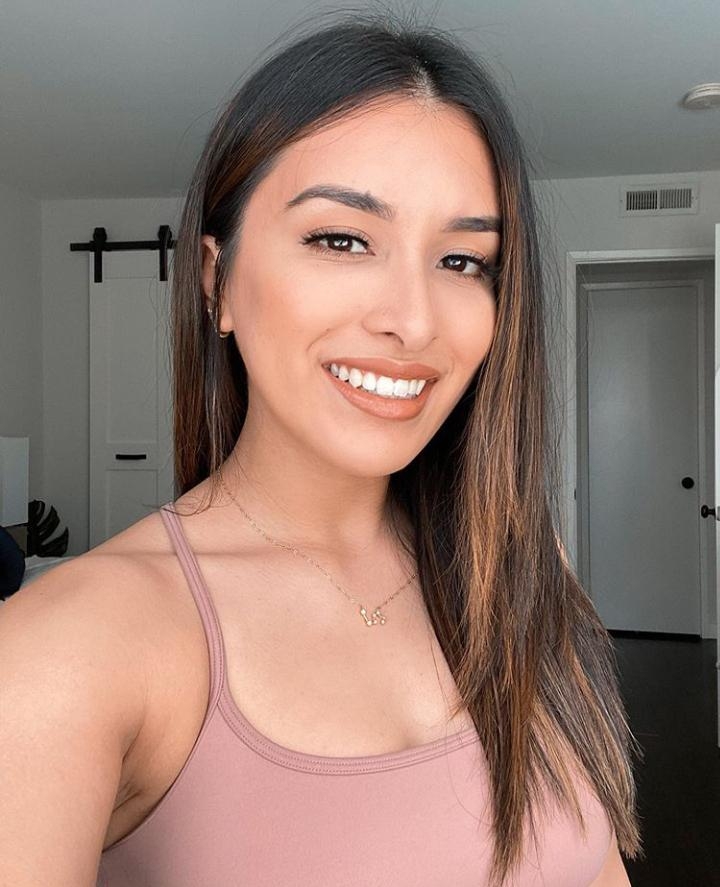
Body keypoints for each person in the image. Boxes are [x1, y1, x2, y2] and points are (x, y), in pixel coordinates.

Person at [0, 12, 641, 886]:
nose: (412, 320)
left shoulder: (523, 566)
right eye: (342, 240)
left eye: (463, 261)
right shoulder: (67, 648)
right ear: (218, 282)